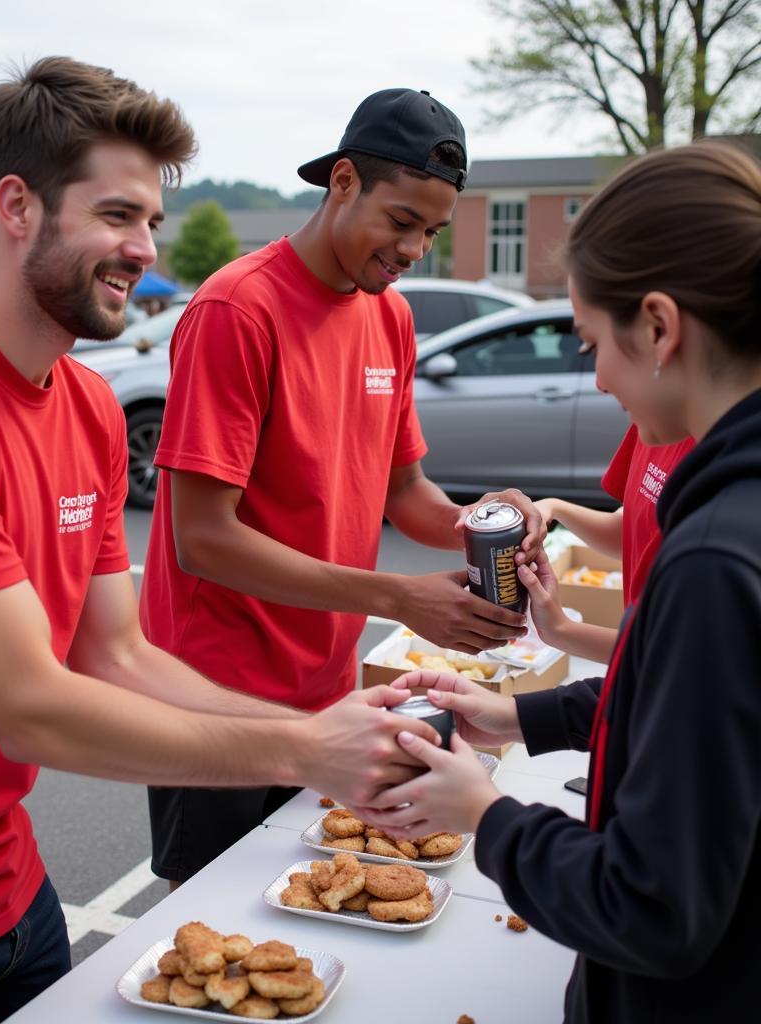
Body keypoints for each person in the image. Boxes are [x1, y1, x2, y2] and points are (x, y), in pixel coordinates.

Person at [0, 59, 441, 1024]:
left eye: (150, 221)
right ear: (17, 204)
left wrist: (322, 734)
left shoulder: (89, 409)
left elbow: (113, 653)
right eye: (117, 216)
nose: (144, 249)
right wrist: (304, 750)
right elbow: (29, 705)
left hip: (5, 878)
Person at [361, 142, 761, 1023]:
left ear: (658, 327)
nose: (595, 378)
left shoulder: (714, 559)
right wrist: (517, 716)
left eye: (592, 344)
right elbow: (692, 711)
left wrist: (487, 814)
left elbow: (651, 908)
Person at [138, 87, 546, 886]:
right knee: (210, 927)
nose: (414, 249)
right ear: (344, 182)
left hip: (325, 687)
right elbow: (202, 539)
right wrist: (396, 597)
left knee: (312, 894)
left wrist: (488, 518)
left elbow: (407, 497)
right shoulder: (237, 309)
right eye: (401, 222)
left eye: (431, 231)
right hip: (213, 690)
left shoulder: (387, 317)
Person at [531, 427, 694, 662]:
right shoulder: (649, 419)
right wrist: (554, 508)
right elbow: (632, 531)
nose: (601, 388)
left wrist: (560, 630)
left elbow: (676, 656)